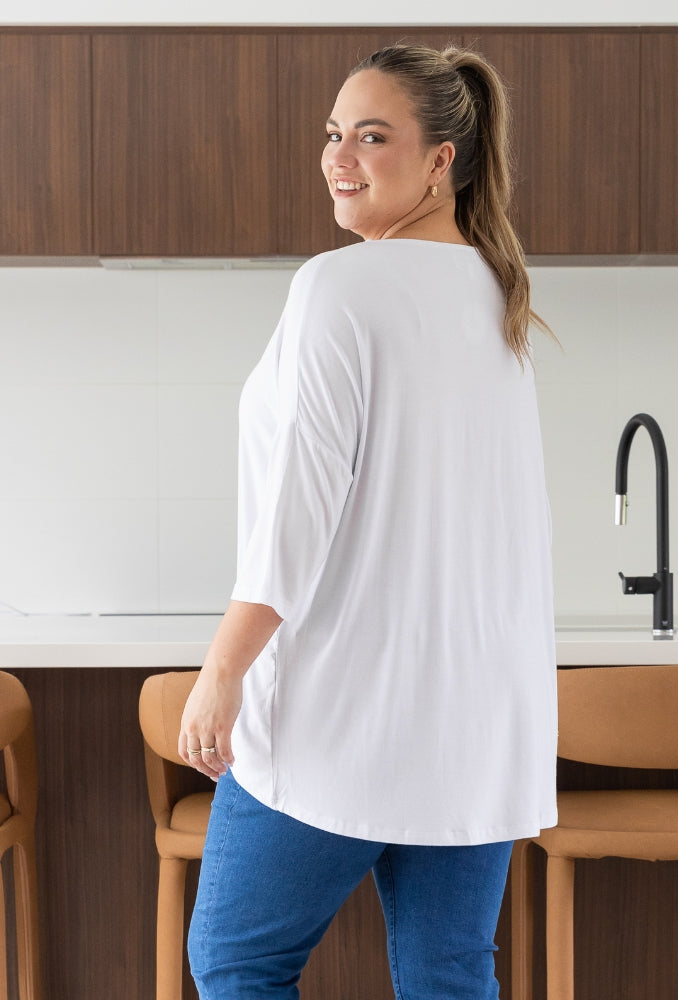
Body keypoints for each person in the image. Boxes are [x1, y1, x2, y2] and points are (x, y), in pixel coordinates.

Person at [179, 42, 557, 1000]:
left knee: (237, 962)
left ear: (442, 161)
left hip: (342, 706)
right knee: (448, 975)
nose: (340, 155)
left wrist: (222, 670)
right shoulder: (499, 295)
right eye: (336, 132)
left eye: (373, 136)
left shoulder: (338, 289)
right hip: (473, 719)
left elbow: (298, 513)